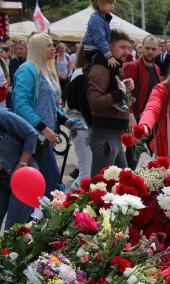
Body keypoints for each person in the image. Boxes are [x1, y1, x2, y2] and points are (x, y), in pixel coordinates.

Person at [12, 33, 76, 198]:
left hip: (44, 139)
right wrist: (43, 127)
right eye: (48, 45)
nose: (53, 48)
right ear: (38, 48)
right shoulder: (27, 70)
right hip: (32, 139)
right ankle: (35, 221)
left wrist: (65, 120)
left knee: (48, 182)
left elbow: (50, 105)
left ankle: (36, 220)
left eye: (53, 44)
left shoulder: (45, 70)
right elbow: (21, 105)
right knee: (47, 182)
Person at [86, 29, 134, 177]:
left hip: (113, 135)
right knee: (99, 185)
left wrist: (125, 88)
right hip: (105, 135)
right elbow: (94, 103)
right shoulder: (101, 69)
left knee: (124, 181)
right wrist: (119, 93)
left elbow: (114, 94)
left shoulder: (112, 67)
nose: (126, 51)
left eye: (128, 47)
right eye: (122, 47)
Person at [82, 0, 128, 112]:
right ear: (99, 3)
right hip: (93, 51)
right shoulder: (95, 19)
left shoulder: (102, 17)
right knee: (113, 65)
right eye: (109, 3)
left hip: (97, 50)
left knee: (114, 67)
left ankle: (119, 96)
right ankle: (117, 98)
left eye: (113, 3)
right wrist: (109, 56)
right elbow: (100, 39)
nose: (112, 6)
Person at [124, 35, 161, 169]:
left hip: (152, 120)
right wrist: (130, 115)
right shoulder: (132, 66)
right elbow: (126, 93)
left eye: (153, 49)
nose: (150, 51)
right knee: (133, 156)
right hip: (137, 118)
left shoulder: (156, 68)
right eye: (147, 48)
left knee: (153, 157)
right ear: (141, 48)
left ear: (158, 50)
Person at [0, 108, 38, 230]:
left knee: (13, 231)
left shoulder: (2, 115)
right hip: (2, 180)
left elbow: (31, 134)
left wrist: (22, 164)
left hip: (25, 178)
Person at [64, 45, 92, 190]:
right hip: (80, 124)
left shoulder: (79, 73)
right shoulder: (81, 75)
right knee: (85, 174)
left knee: (87, 171)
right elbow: (84, 107)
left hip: (80, 123)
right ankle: (61, 205)